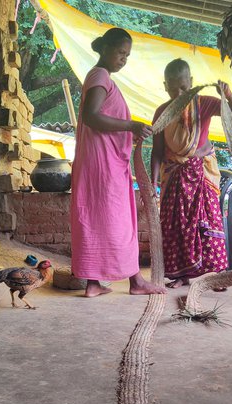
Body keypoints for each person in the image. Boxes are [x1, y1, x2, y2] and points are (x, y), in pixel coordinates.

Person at [70, 28, 166, 298]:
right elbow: (91, 117)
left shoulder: (100, 77)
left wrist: (130, 132)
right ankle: (135, 282)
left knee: (95, 218)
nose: (124, 59)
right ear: (105, 48)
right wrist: (131, 124)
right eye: (120, 52)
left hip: (98, 163)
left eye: (127, 55)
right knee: (119, 221)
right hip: (103, 166)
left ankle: (92, 284)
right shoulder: (100, 76)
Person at [151, 59, 232, 289]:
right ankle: (182, 275)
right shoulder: (162, 112)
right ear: (165, 86)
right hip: (174, 176)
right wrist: (152, 183)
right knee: (177, 226)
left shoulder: (204, 103)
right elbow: (157, 151)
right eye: (173, 89)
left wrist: (227, 94)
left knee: (208, 222)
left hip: (201, 174)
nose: (179, 93)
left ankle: (213, 276)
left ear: (192, 83)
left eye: (183, 87)